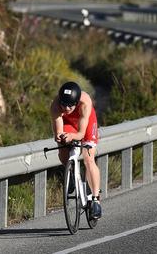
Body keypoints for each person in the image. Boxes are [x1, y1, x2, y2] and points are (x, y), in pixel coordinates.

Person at [50, 81, 102, 219]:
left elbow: (81, 134)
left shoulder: (85, 103)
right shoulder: (55, 107)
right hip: (68, 122)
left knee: (88, 157)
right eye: (64, 104)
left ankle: (96, 200)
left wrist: (74, 136)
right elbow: (58, 132)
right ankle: (70, 173)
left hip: (85, 122)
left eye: (70, 105)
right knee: (62, 146)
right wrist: (61, 137)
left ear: (76, 102)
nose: (66, 108)